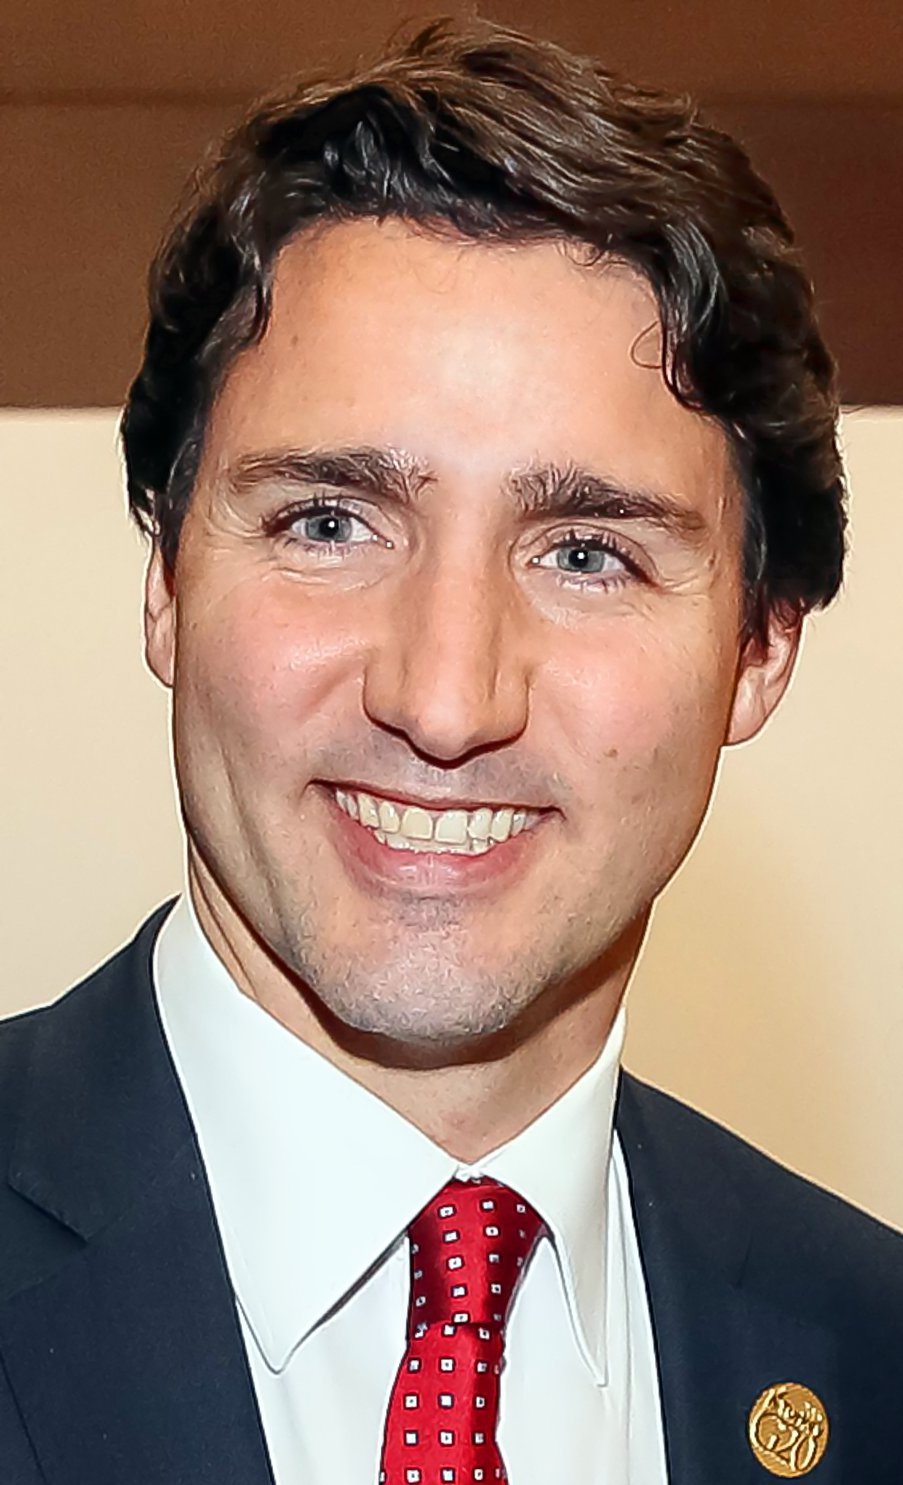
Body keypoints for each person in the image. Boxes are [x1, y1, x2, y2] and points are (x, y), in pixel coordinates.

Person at [1, 15, 900, 1484]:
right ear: (165, 579)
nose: (443, 693)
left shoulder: (872, 1356)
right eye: (330, 521)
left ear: (763, 645)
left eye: (589, 552)